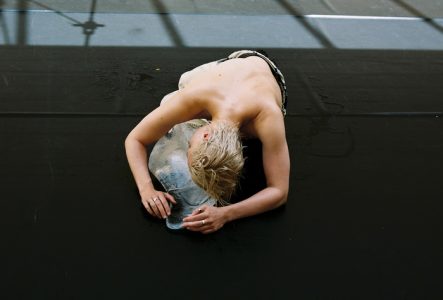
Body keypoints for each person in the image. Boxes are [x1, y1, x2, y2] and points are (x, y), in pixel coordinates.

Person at [125, 50, 290, 234]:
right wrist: (146, 189)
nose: (188, 146)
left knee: (174, 111)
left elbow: (279, 191)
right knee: (175, 94)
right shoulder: (198, 95)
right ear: (206, 135)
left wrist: (226, 214)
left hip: (268, 76)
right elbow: (135, 139)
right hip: (234, 63)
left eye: (189, 146)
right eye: (190, 147)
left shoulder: (268, 118)